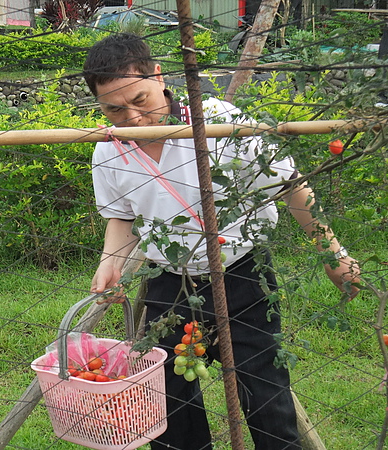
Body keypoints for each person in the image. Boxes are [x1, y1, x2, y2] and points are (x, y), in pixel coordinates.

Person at [83, 33, 360, 450]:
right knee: (169, 399)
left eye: (141, 100)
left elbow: (288, 184)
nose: (133, 118)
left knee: (263, 389)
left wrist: (331, 251)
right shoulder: (107, 150)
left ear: (159, 76)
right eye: (115, 109)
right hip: (169, 280)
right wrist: (110, 262)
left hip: (241, 273)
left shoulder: (217, 120)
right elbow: (121, 218)